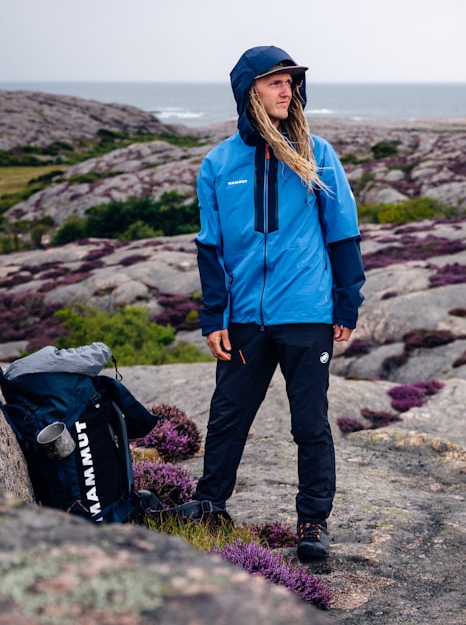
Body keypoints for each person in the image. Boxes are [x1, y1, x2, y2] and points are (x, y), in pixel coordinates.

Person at [184, 45, 365, 561]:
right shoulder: (219, 164)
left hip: (307, 315)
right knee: (227, 416)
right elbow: (210, 245)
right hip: (243, 319)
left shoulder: (318, 154)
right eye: (275, 82)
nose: (288, 90)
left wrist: (346, 301)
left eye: (291, 82)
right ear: (250, 92)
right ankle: (211, 505)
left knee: (309, 422)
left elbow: (343, 233)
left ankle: (312, 524)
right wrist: (213, 315)